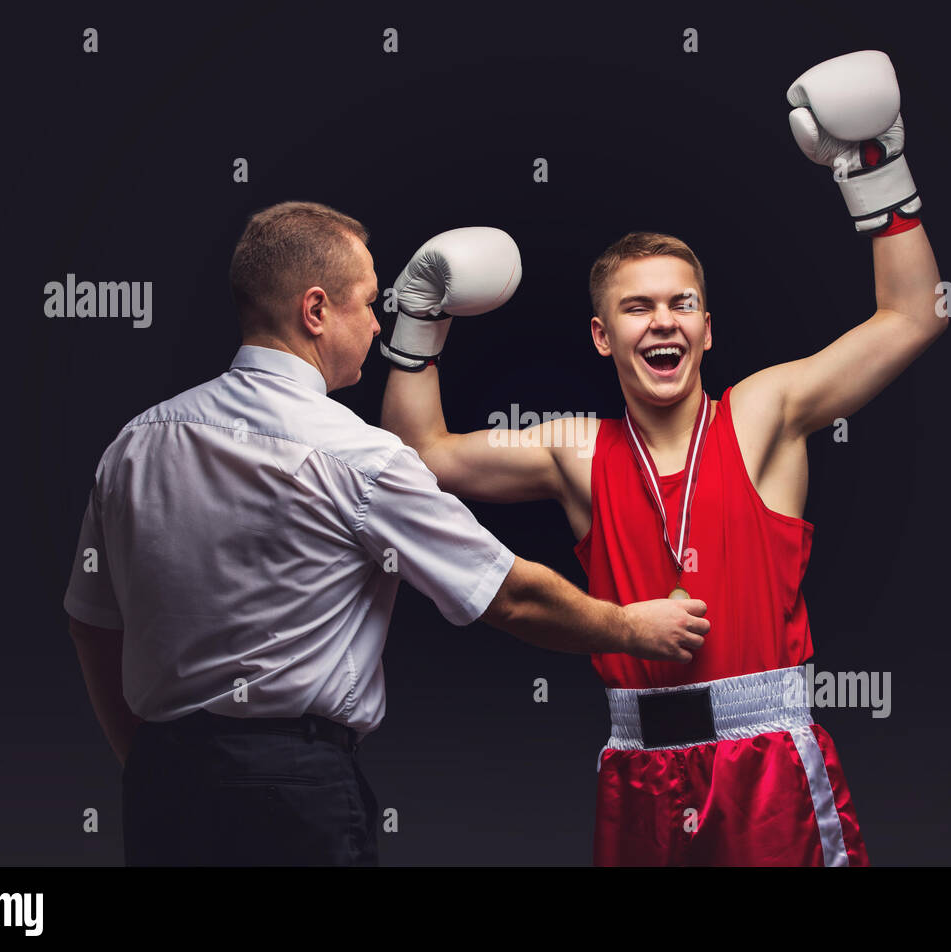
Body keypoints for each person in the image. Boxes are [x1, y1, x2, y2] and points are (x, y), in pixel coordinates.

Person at [379, 51, 945, 865]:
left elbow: (912, 318)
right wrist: (417, 324)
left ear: (708, 328)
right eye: (637, 308)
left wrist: (876, 170)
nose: (664, 322)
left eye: (682, 304)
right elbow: (421, 457)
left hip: (767, 771)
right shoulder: (576, 450)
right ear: (603, 337)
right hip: (640, 774)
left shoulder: (761, 414)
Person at [62, 201, 710, 867]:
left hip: (163, 788)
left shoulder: (134, 444)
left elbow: (90, 625)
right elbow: (507, 594)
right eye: (369, 303)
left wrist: (146, 758)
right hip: (295, 793)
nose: (377, 324)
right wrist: (631, 628)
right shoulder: (356, 456)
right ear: (315, 312)